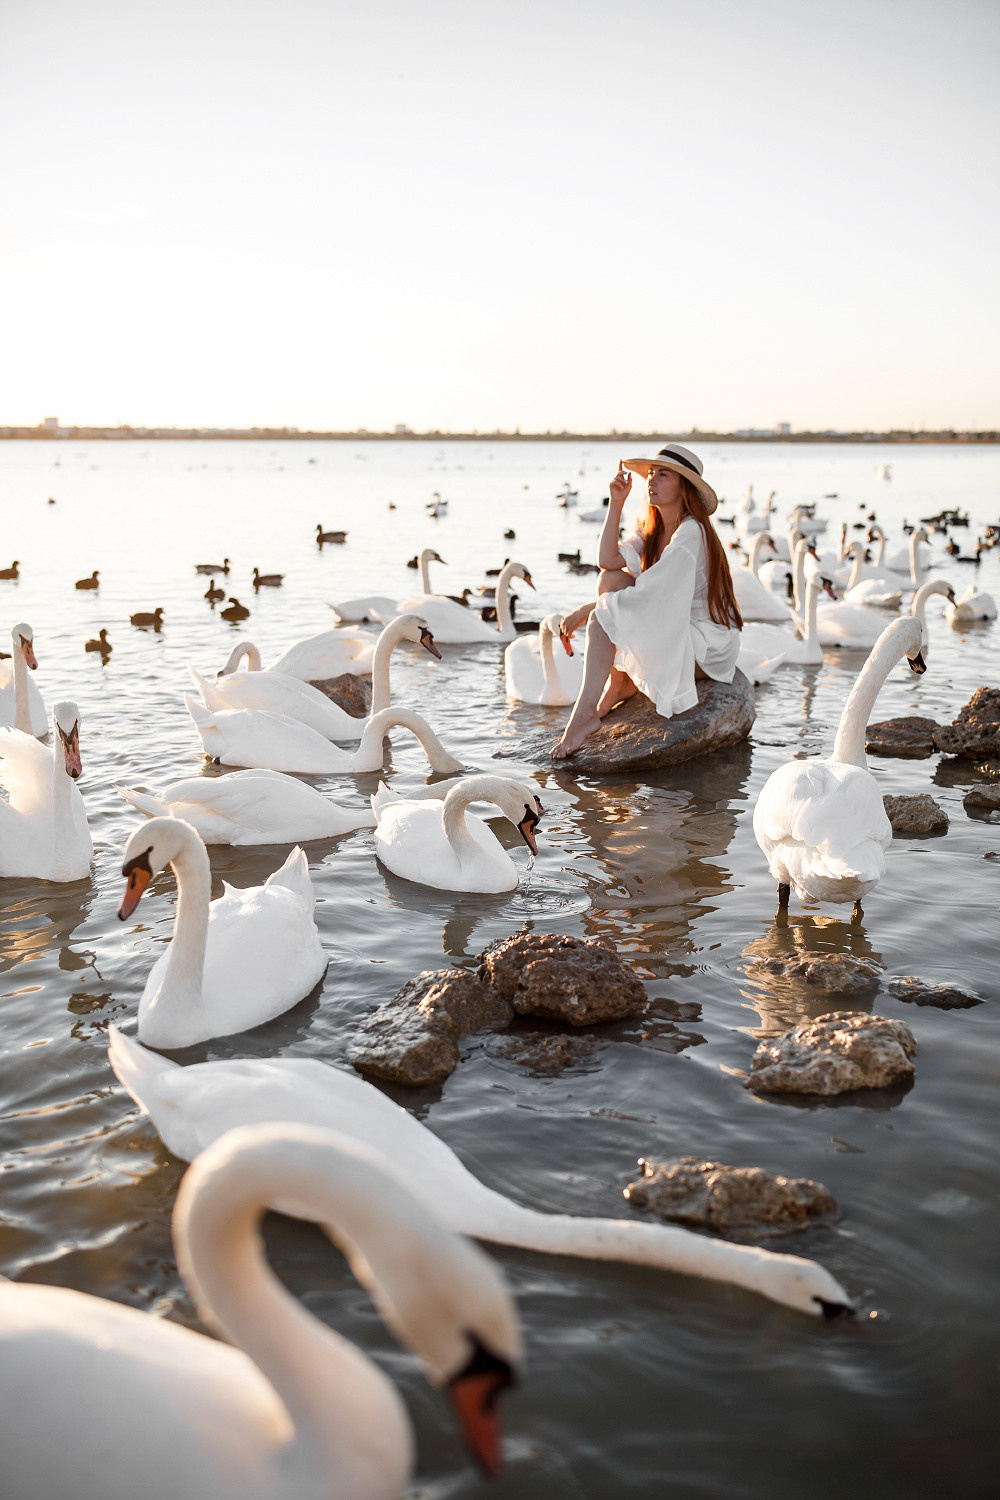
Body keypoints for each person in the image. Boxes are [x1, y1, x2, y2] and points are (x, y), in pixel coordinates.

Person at [550, 443, 743, 760]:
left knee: (603, 614)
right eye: (650, 474)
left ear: (684, 487)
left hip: (707, 643)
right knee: (610, 582)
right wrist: (616, 503)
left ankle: (586, 711)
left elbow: (654, 594)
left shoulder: (691, 532)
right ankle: (621, 684)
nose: (651, 480)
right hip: (676, 623)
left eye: (663, 475)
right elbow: (607, 560)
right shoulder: (653, 528)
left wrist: (588, 610)